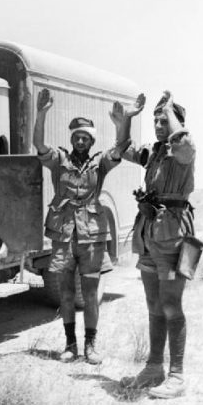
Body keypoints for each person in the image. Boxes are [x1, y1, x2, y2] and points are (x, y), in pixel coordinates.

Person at [33, 88, 145, 364]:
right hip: (64, 236)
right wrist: (42, 113)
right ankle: (70, 345)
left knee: (92, 293)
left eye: (85, 138)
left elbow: (120, 148)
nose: (81, 141)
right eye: (77, 137)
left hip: (93, 237)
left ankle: (90, 346)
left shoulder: (100, 164)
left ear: (91, 141)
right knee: (67, 292)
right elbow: (39, 145)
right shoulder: (60, 161)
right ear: (71, 139)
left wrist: (124, 121)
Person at [116, 91, 195, 399]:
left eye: (165, 120)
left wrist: (170, 107)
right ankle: (153, 368)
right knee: (153, 305)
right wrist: (127, 119)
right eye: (156, 120)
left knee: (171, 305)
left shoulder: (184, 150)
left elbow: (184, 143)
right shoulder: (156, 152)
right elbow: (123, 148)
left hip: (176, 237)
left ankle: (176, 375)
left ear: (178, 123)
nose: (159, 124)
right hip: (150, 234)